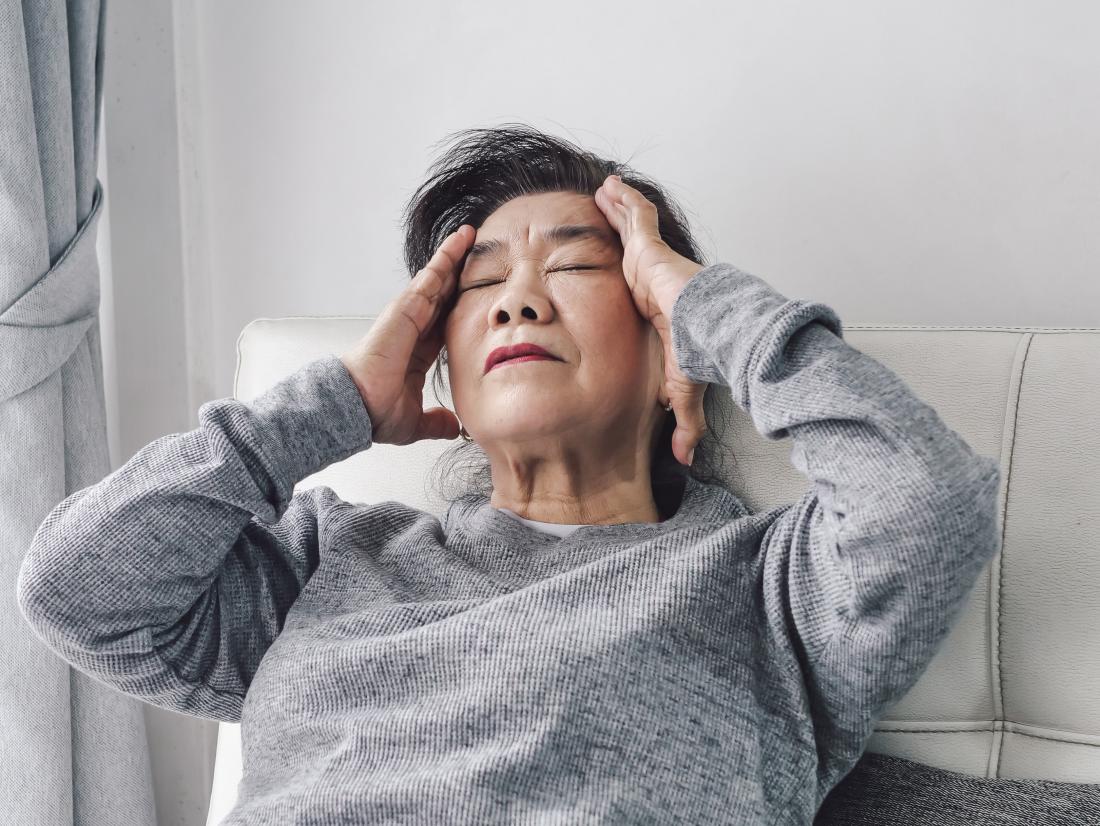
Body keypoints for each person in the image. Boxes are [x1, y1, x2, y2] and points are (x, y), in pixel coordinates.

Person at [16, 124, 1002, 824]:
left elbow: (926, 502)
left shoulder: (763, 591)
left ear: (672, 356)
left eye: (574, 268)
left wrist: (705, 309)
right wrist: (331, 408)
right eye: (481, 282)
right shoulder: (324, 560)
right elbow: (77, 593)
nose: (516, 302)